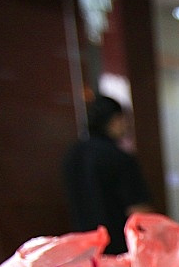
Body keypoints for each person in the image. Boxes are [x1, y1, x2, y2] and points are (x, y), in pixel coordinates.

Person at [63, 95, 154, 254]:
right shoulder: (119, 157)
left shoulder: (72, 156)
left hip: (84, 247)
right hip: (119, 248)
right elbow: (139, 211)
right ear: (115, 120)